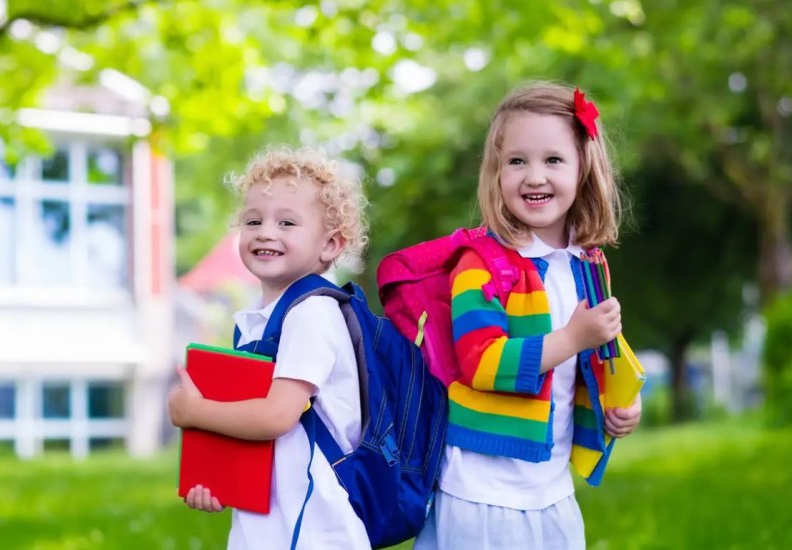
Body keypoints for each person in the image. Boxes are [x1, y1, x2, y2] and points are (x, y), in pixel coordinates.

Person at [413, 82, 643, 550]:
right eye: (516, 161)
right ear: (495, 174)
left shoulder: (588, 262)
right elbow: (481, 362)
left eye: (552, 160)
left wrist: (619, 404)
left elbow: (597, 349)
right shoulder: (481, 264)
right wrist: (573, 338)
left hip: (551, 487)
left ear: (584, 169)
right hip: (483, 492)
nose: (533, 176)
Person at [168, 146, 371, 550]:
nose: (265, 232)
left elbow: (278, 415)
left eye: (287, 223)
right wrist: (217, 479)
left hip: (314, 528)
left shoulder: (312, 313)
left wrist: (194, 412)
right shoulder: (262, 320)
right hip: (271, 519)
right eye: (253, 220)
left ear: (330, 245)